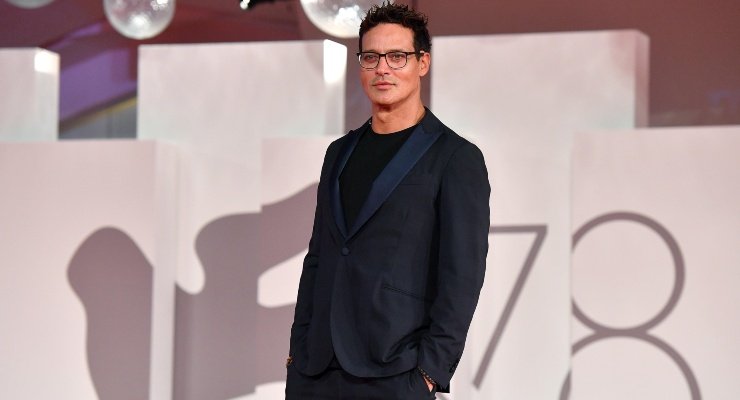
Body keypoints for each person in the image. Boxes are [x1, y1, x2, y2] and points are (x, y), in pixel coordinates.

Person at [286, 2, 490, 399]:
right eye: (371, 57)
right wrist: (298, 353)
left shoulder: (455, 157)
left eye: (397, 56)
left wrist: (429, 372)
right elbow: (318, 258)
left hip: (395, 370)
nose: (383, 68)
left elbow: (462, 277)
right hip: (316, 372)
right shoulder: (339, 153)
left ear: (422, 62)